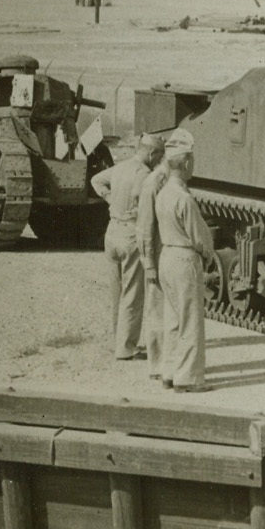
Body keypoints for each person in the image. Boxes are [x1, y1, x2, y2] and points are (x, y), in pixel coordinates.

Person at [91, 133, 165, 360]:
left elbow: (96, 180)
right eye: (159, 157)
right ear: (152, 153)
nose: (159, 161)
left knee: (117, 292)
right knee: (132, 294)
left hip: (112, 231)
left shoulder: (120, 167)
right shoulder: (145, 175)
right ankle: (126, 348)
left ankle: (118, 341)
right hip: (131, 236)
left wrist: (111, 199)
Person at [154, 129, 214, 392]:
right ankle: (188, 379)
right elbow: (199, 237)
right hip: (184, 259)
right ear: (187, 162)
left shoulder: (164, 193)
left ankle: (169, 372)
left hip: (166, 256)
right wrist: (208, 254)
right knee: (190, 321)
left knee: (172, 319)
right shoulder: (184, 198)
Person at [136, 138, 170, 380]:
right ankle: (156, 366)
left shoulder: (167, 179)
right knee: (157, 312)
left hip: (168, 255)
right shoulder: (154, 183)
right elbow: (145, 228)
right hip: (157, 256)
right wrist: (149, 264)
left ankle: (168, 363)